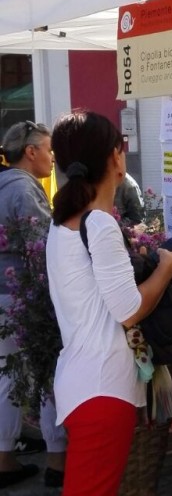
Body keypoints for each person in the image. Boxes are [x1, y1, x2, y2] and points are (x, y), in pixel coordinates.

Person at [46, 111, 172, 495]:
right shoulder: (98, 224)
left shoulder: (63, 223)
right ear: (117, 156)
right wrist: (168, 267)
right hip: (102, 388)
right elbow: (128, 310)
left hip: (84, 383)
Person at [0, 120, 67, 489]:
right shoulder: (25, 190)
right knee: (48, 374)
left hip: (3, 295)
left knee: (8, 376)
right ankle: (57, 461)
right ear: (31, 152)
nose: (52, 157)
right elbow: (43, 249)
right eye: (48, 149)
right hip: (22, 295)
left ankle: (5, 459)